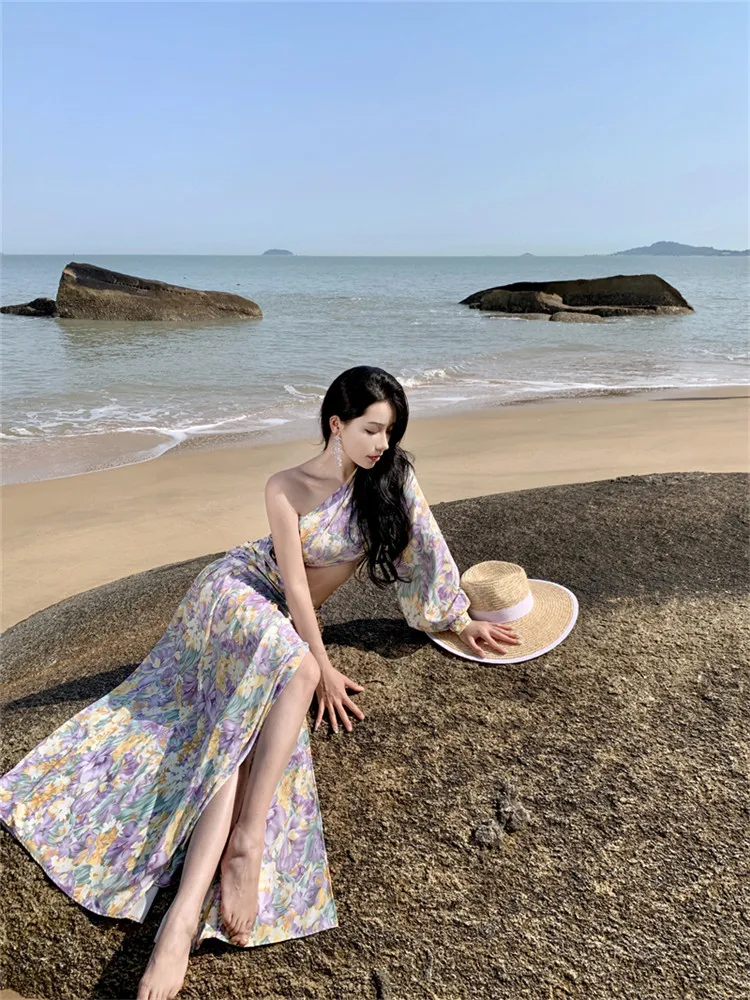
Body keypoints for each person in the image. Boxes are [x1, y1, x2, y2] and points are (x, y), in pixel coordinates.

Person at [0, 366, 520, 1000]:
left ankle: (181, 920)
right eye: (371, 429)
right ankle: (245, 843)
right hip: (237, 594)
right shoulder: (286, 486)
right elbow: (296, 585)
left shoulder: (391, 480)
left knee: (235, 732)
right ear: (337, 424)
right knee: (299, 670)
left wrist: (459, 619)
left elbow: (428, 547)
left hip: (275, 620)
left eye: (390, 431)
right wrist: (323, 664)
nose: (382, 442)